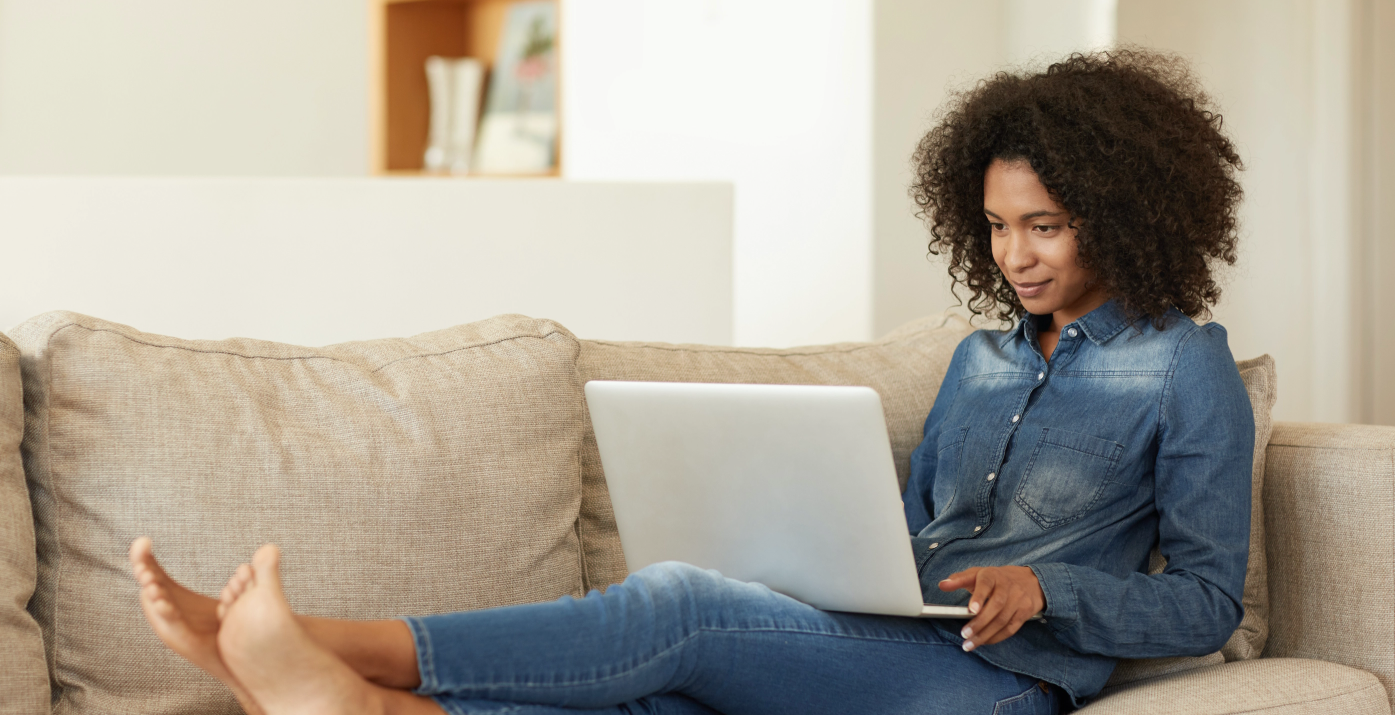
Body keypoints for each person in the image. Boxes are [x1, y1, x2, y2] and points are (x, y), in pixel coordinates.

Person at [129, 49, 1253, 715]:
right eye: (1000, 225)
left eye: (1046, 226)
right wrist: (823, 563)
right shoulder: (983, 357)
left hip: (1006, 685)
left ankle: (329, 643)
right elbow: (906, 535)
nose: (1016, 255)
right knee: (661, 698)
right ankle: (364, 708)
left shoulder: (1185, 365)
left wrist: (1048, 588)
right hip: (887, 642)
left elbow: (1206, 599)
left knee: (675, 605)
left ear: (1126, 210)